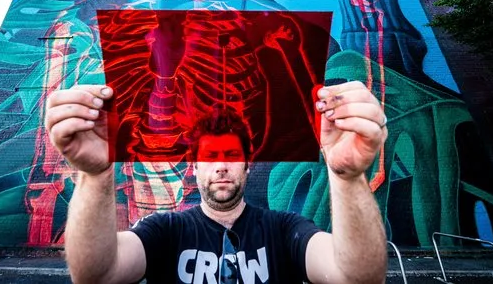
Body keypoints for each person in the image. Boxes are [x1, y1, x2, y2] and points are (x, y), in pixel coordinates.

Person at [45, 80, 388, 283]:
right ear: (194, 167)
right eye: (211, 157)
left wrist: (346, 176)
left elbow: (356, 278)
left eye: (231, 156)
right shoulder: (165, 230)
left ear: (247, 166)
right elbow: (97, 276)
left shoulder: (285, 229)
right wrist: (95, 175)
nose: (222, 166)